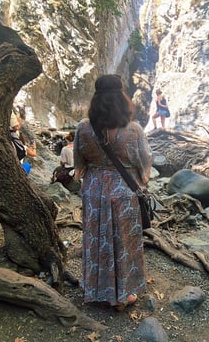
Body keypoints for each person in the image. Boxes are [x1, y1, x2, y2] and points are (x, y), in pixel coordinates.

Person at [73, 74, 153, 311]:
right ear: (122, 99)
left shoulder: (83, 128)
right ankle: (123, 295)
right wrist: (141, 180)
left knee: (96, 240)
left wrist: (95, 173)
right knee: (124, 243)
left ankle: (96, 290)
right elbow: (145, 163)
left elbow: (79, 165)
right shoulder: (134, 130)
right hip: (123, 192)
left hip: (94, 190)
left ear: (96, 99)